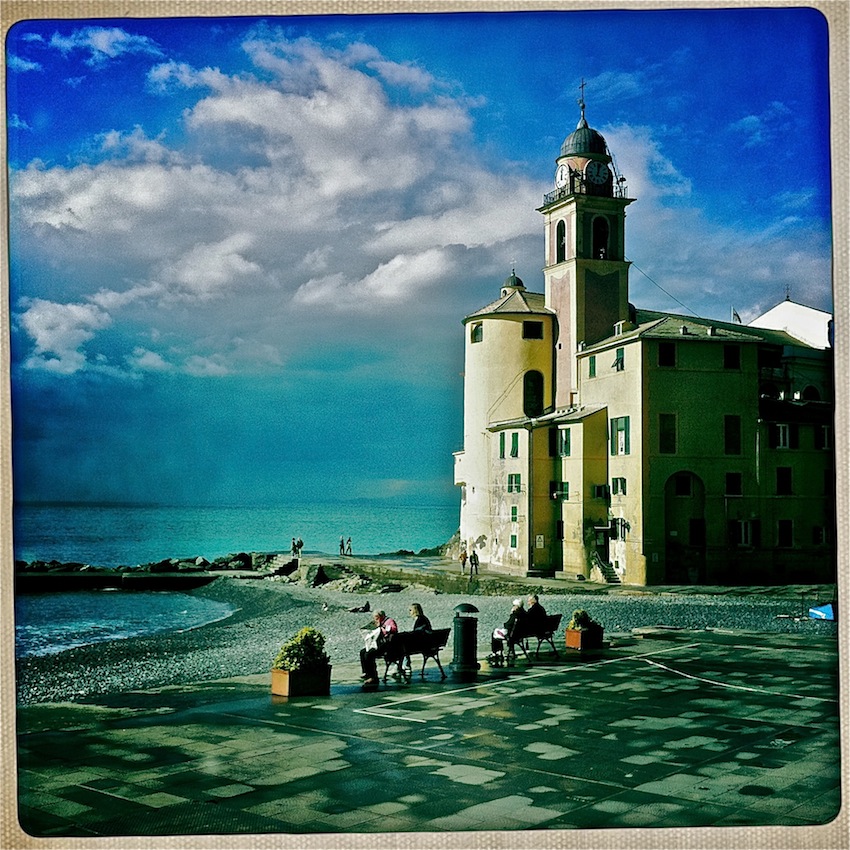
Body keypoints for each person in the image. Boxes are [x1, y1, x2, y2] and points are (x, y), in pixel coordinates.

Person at [359, 610, 397, 685]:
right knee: (363, 652)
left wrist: (383, 627)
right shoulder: (376, 622)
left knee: (369, 654)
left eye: (376, 617)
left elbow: (394, 629)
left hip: (387, 645)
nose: (375, 619)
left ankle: (373, 676)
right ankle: (366, 672)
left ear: (381, 616)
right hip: (377, 644)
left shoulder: (389, 621)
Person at [490, 598, 526, 663]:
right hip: (520, 634)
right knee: (498, 632)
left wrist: (512, 613)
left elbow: (507, 625)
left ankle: (496, 652)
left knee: (494, 633)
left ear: (517, 606)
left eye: (514, 605)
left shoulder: (515, 615)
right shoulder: (524, 614)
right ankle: (501, 651)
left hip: (512, 635)